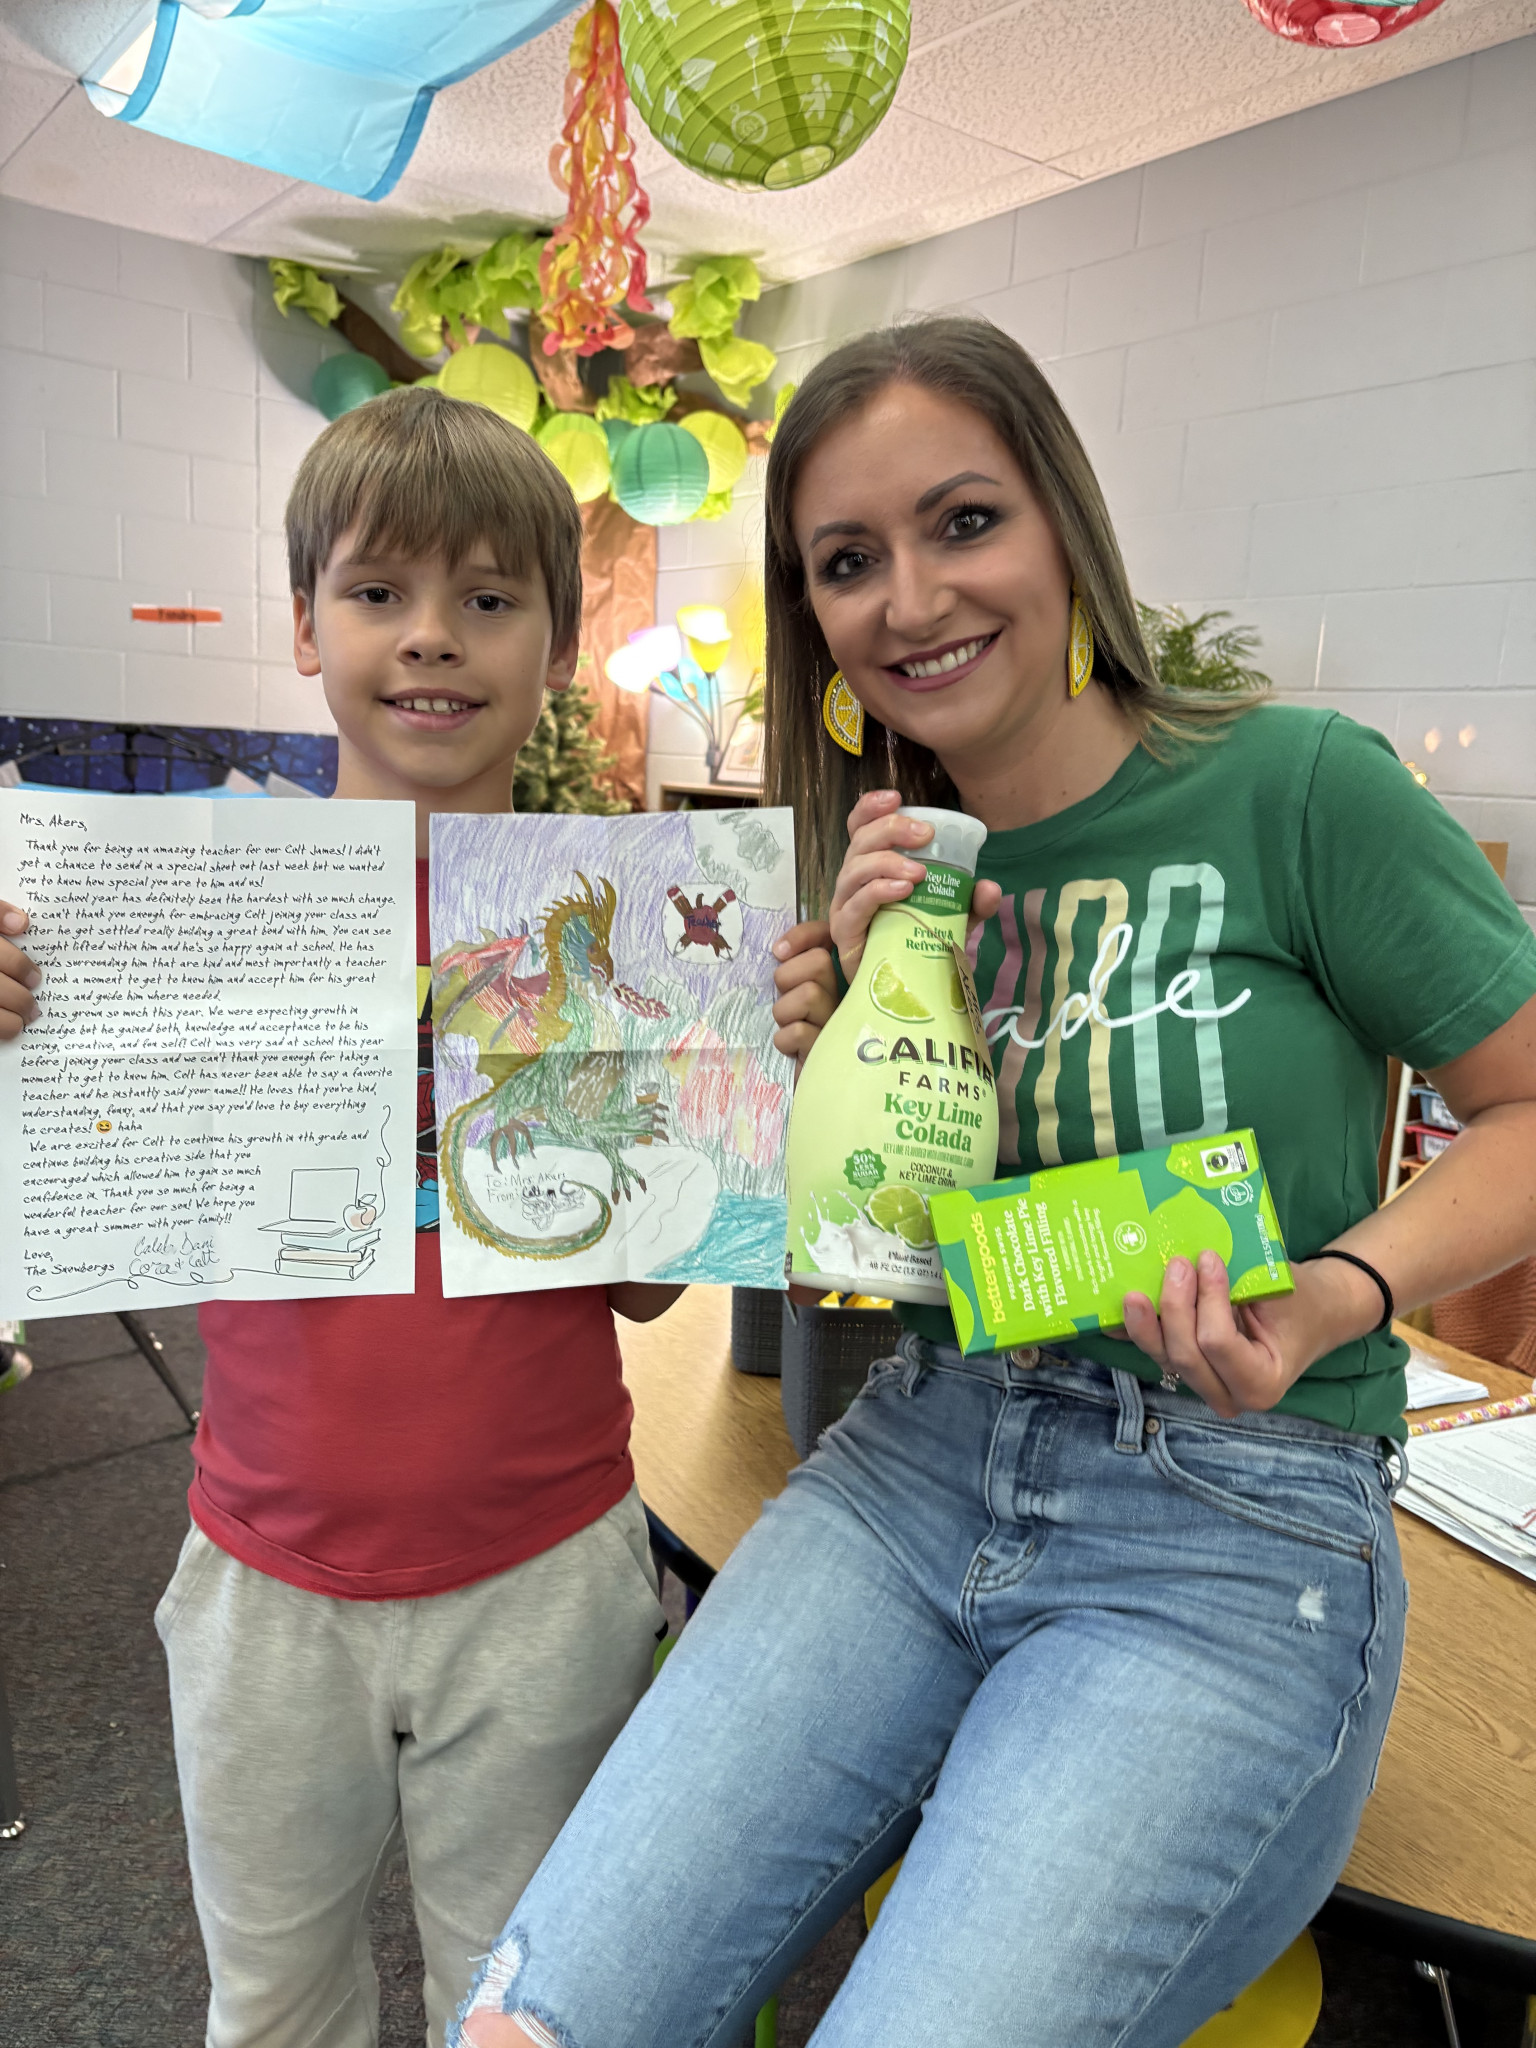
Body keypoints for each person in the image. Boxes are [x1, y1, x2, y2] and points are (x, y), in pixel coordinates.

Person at [448, 318, 1536, 2048]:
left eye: (964, 522)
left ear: (1064, 529)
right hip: (917, 1457)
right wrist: (818, 1078)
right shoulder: (873, 882)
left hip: (1233, 1522)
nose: (912, 598)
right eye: (847, 562)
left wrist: (1340, 1293)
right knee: (528, 2025)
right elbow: (840, 1266)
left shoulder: (1297, 789)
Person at [0, 386, 679, 2048]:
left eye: (489, 598)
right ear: (307, 626)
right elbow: (94, 1183)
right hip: (263, 1575)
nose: (432, 635)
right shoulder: (196, 902)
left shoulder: (616, 924)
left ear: (557, 644)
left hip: (545, 1574)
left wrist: (721, 1099)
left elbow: (653, 1290)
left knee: (518, 2004)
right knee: (275, 1999)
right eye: (380, 592)